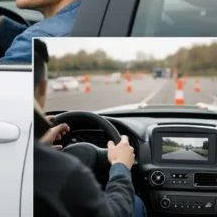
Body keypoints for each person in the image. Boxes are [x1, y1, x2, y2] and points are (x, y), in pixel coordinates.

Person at [33, 39, 146, 217]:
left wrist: (36, 141)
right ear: (43, 87)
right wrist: (120, 166)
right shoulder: (66, 171)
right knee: (136, 203)